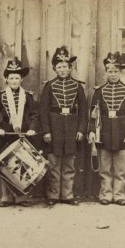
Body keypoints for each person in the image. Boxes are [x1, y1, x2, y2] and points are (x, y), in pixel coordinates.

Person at [39, 46, 89, 206]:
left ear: (70, 68)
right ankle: (53, 195)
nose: (62, 69)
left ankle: (67, 195)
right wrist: (46, 131)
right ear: (54, 68)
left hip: (72, 129)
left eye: (65, 67)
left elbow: (83, 111)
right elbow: (43, 111)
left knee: (69, 164)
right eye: (59, 67)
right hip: (54, 128)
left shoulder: (77, 86)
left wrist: (81, 129)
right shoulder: (49, 86)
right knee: (53, 164)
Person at [0, 58, 39, 207]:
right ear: (6, 79)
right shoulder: (0, 96)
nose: (14, 80)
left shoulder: (28, 96)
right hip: (6, 135)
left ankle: (22, 197)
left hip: (24, 135)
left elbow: (34, 115)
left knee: (23, 165)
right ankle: (6, 197)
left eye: (17, 77)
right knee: (6, 165)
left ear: (21, 79)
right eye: (11, 78)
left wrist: (31, 129)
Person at [88, 52, 125, 206]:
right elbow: (93, 115)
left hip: (122, 131)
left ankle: (119, 195)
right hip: (104, 132)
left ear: (120, 72)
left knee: (120, 169)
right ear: (106, 72)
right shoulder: (99, 91)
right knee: (105, 168)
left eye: (116, 71)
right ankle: (106, 194)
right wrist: (91, 131)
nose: (113, 74)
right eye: (110, 71)